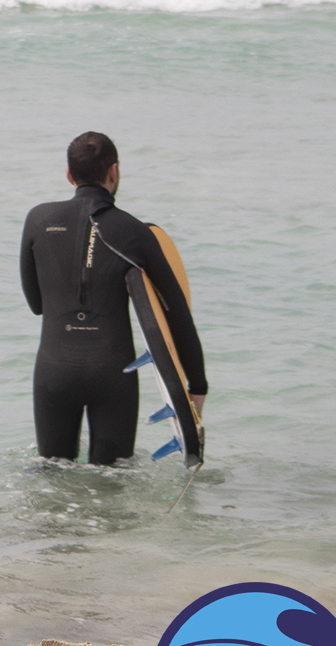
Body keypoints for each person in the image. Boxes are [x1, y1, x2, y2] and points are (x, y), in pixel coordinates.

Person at [20, 132, 208, 465]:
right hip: (113, 375)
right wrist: (196, 387)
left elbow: (37, 305)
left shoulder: (38, 220)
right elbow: (176, 313)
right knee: (112, 482)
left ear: (69, 174)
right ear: (114, 171)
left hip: (54, 371)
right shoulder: (135, 232)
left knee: (51, 476)